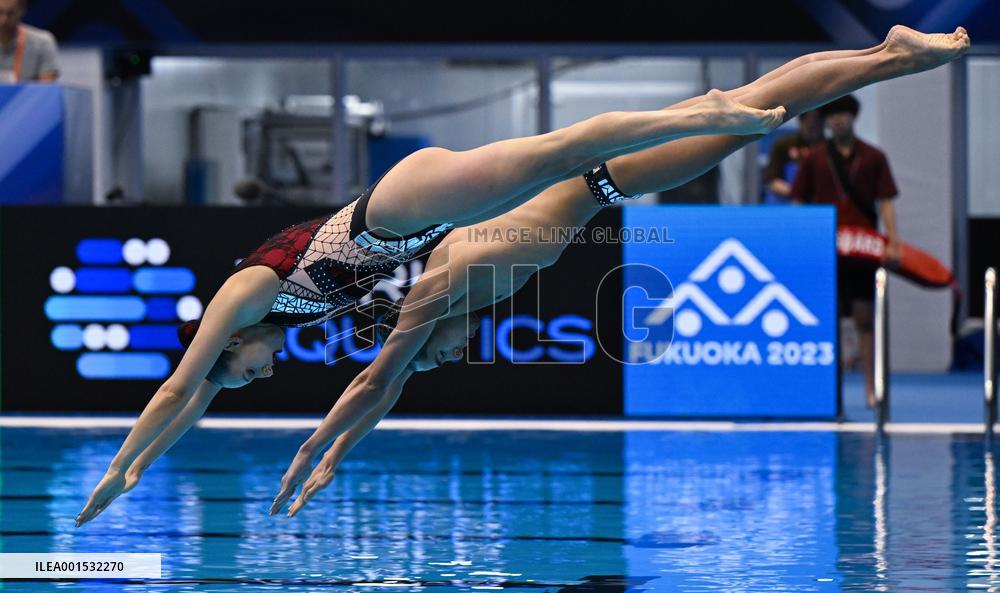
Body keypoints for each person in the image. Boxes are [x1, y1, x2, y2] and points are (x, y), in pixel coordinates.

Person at [75, 25, 969, 526]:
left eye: (243, 372)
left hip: (401, 203)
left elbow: (197, 385)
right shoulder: (312, 312)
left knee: (564, 145)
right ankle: (888, 56)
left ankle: (700, 107)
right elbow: (217, 395)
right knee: (764, 107)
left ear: (233, 342)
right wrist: (312, 451)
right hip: (541, 200)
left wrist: (124, 467)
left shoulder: (258, 292)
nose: (256, 377)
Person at [789, 94, 902, 409]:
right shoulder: (814, 159)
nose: (838, 120)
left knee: (866, 319)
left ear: (854, 117)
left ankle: (871, 389)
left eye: (843, 114)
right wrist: (800, 242)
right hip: (827, 250)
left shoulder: (874, 157)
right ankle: (830, 392)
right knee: (830, 320)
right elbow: (798, 202)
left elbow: (886, 203)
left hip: (864, 250)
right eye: (832, 115)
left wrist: (893, 241)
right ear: (826, 121)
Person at [762, 109, 823, 203]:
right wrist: (796, 193)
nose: (814, 130)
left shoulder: (829, 148)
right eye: (811, 126)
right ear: (801, 122)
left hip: (821, 202)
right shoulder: (783, 146)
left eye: (818, 125)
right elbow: (772, 180)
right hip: (787, 201)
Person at [0, 0, 58, 83]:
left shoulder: (42, 42)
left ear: (22, 10)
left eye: (11, 13)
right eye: (0, 12)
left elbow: (47, 88)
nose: (4, 20)